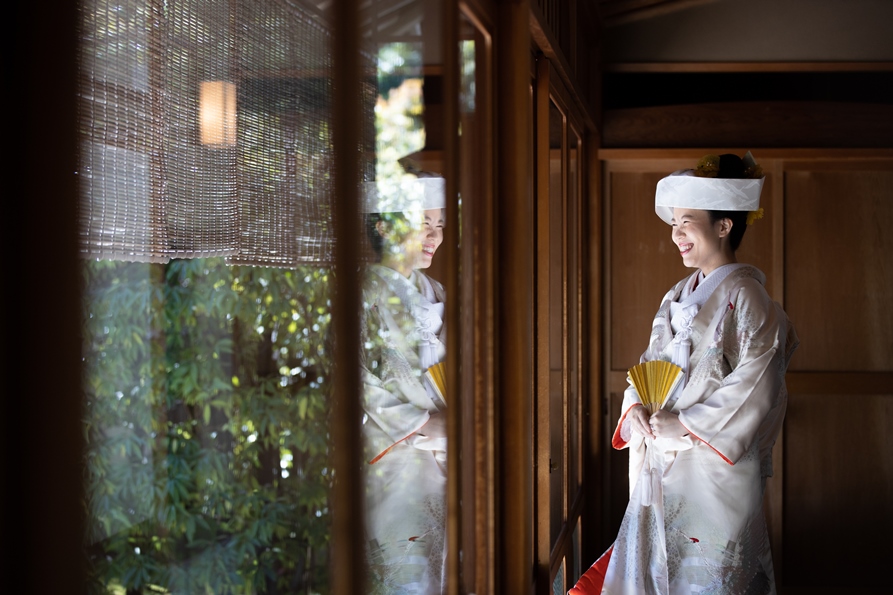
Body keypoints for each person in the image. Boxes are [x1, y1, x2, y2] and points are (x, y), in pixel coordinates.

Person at [570, 152, 799, 595]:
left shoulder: (748, 296)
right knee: (657, 570)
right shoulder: (676, 294)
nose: (676, 234)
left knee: (710, 576)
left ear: (724, 225)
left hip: (713, 469)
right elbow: (648, 367)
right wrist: (636, 407)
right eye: (673, 223)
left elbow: (757, 383)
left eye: (686, 222)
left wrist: (688, 425)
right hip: (662, 454)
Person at [360, 171, 448, 594]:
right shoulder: (363, 290)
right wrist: (421, 423)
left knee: (448, 567)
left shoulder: (437, 290)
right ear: (384, 227)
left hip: (449, 447)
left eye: (439, 225)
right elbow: (353, 375)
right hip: (396, 452)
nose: (434, 236)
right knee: (409, 572)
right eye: (423, 224)